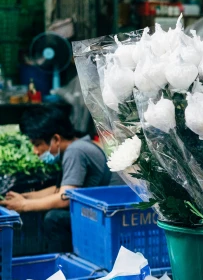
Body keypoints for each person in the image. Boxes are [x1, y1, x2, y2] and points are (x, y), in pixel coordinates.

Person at [0, 106, 118, 251]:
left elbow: (65, 198)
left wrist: (24, 205)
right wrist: (27, 197)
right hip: (102, 214)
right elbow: (65, 188)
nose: (35, 151)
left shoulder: (75, 151)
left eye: (37, 144)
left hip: (107, 219)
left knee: (54, 218)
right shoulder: (81, 144)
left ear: (56, 139)